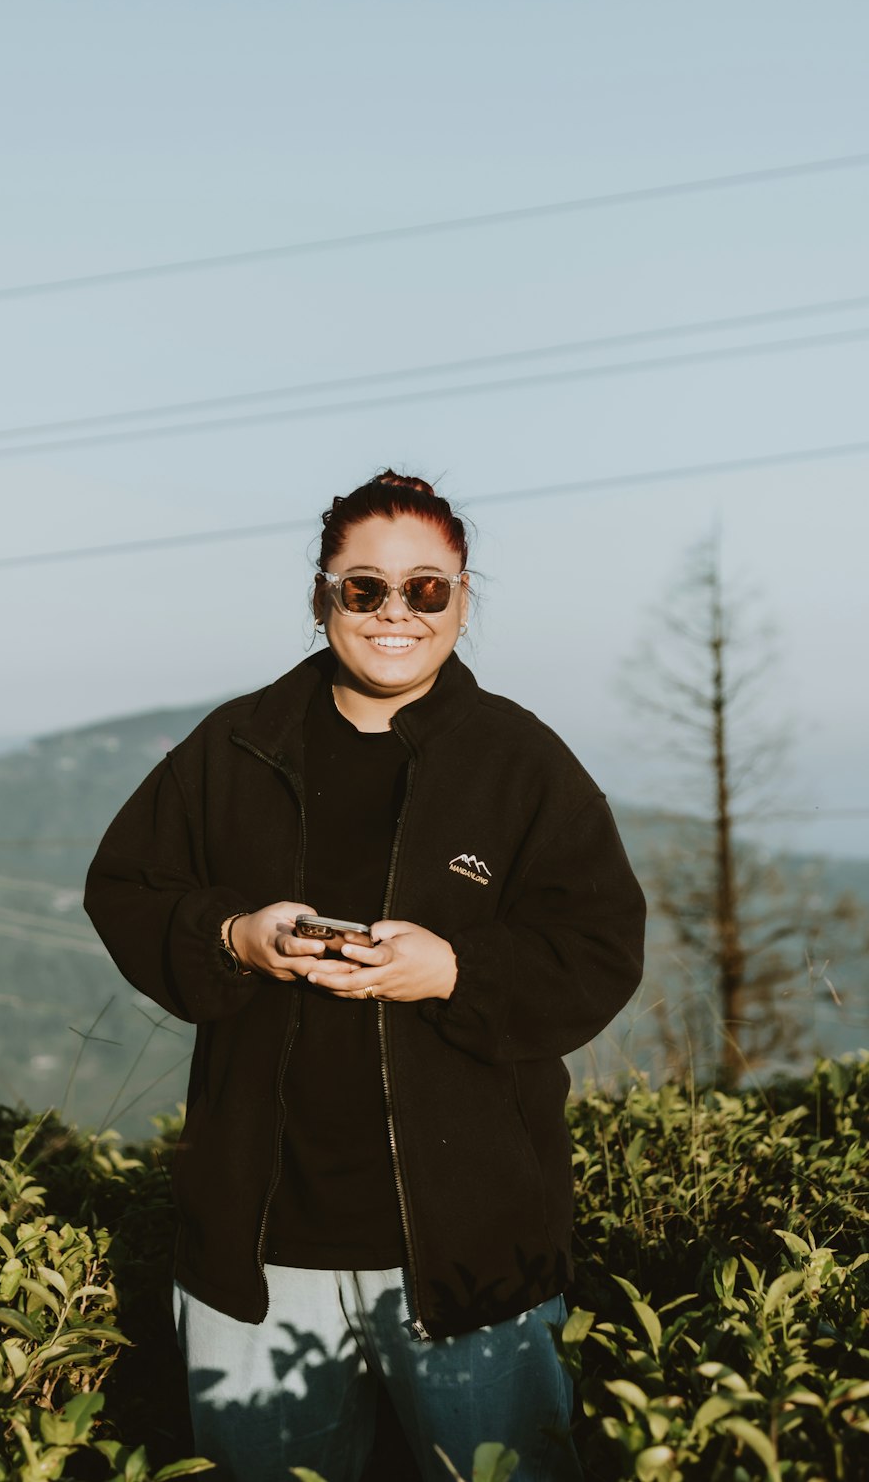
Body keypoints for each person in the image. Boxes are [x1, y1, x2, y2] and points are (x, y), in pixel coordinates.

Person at [84, 471, 646, 1482]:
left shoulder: (520, 762)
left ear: (463, 600)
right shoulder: (236, 746)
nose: (398, 612)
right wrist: (234, 935)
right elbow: (126, 887)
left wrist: (454, 969)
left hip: (472, 1256)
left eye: (426, 588)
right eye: (365, 588)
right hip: (253, 1262)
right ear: (323, 596)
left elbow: (599, 946)